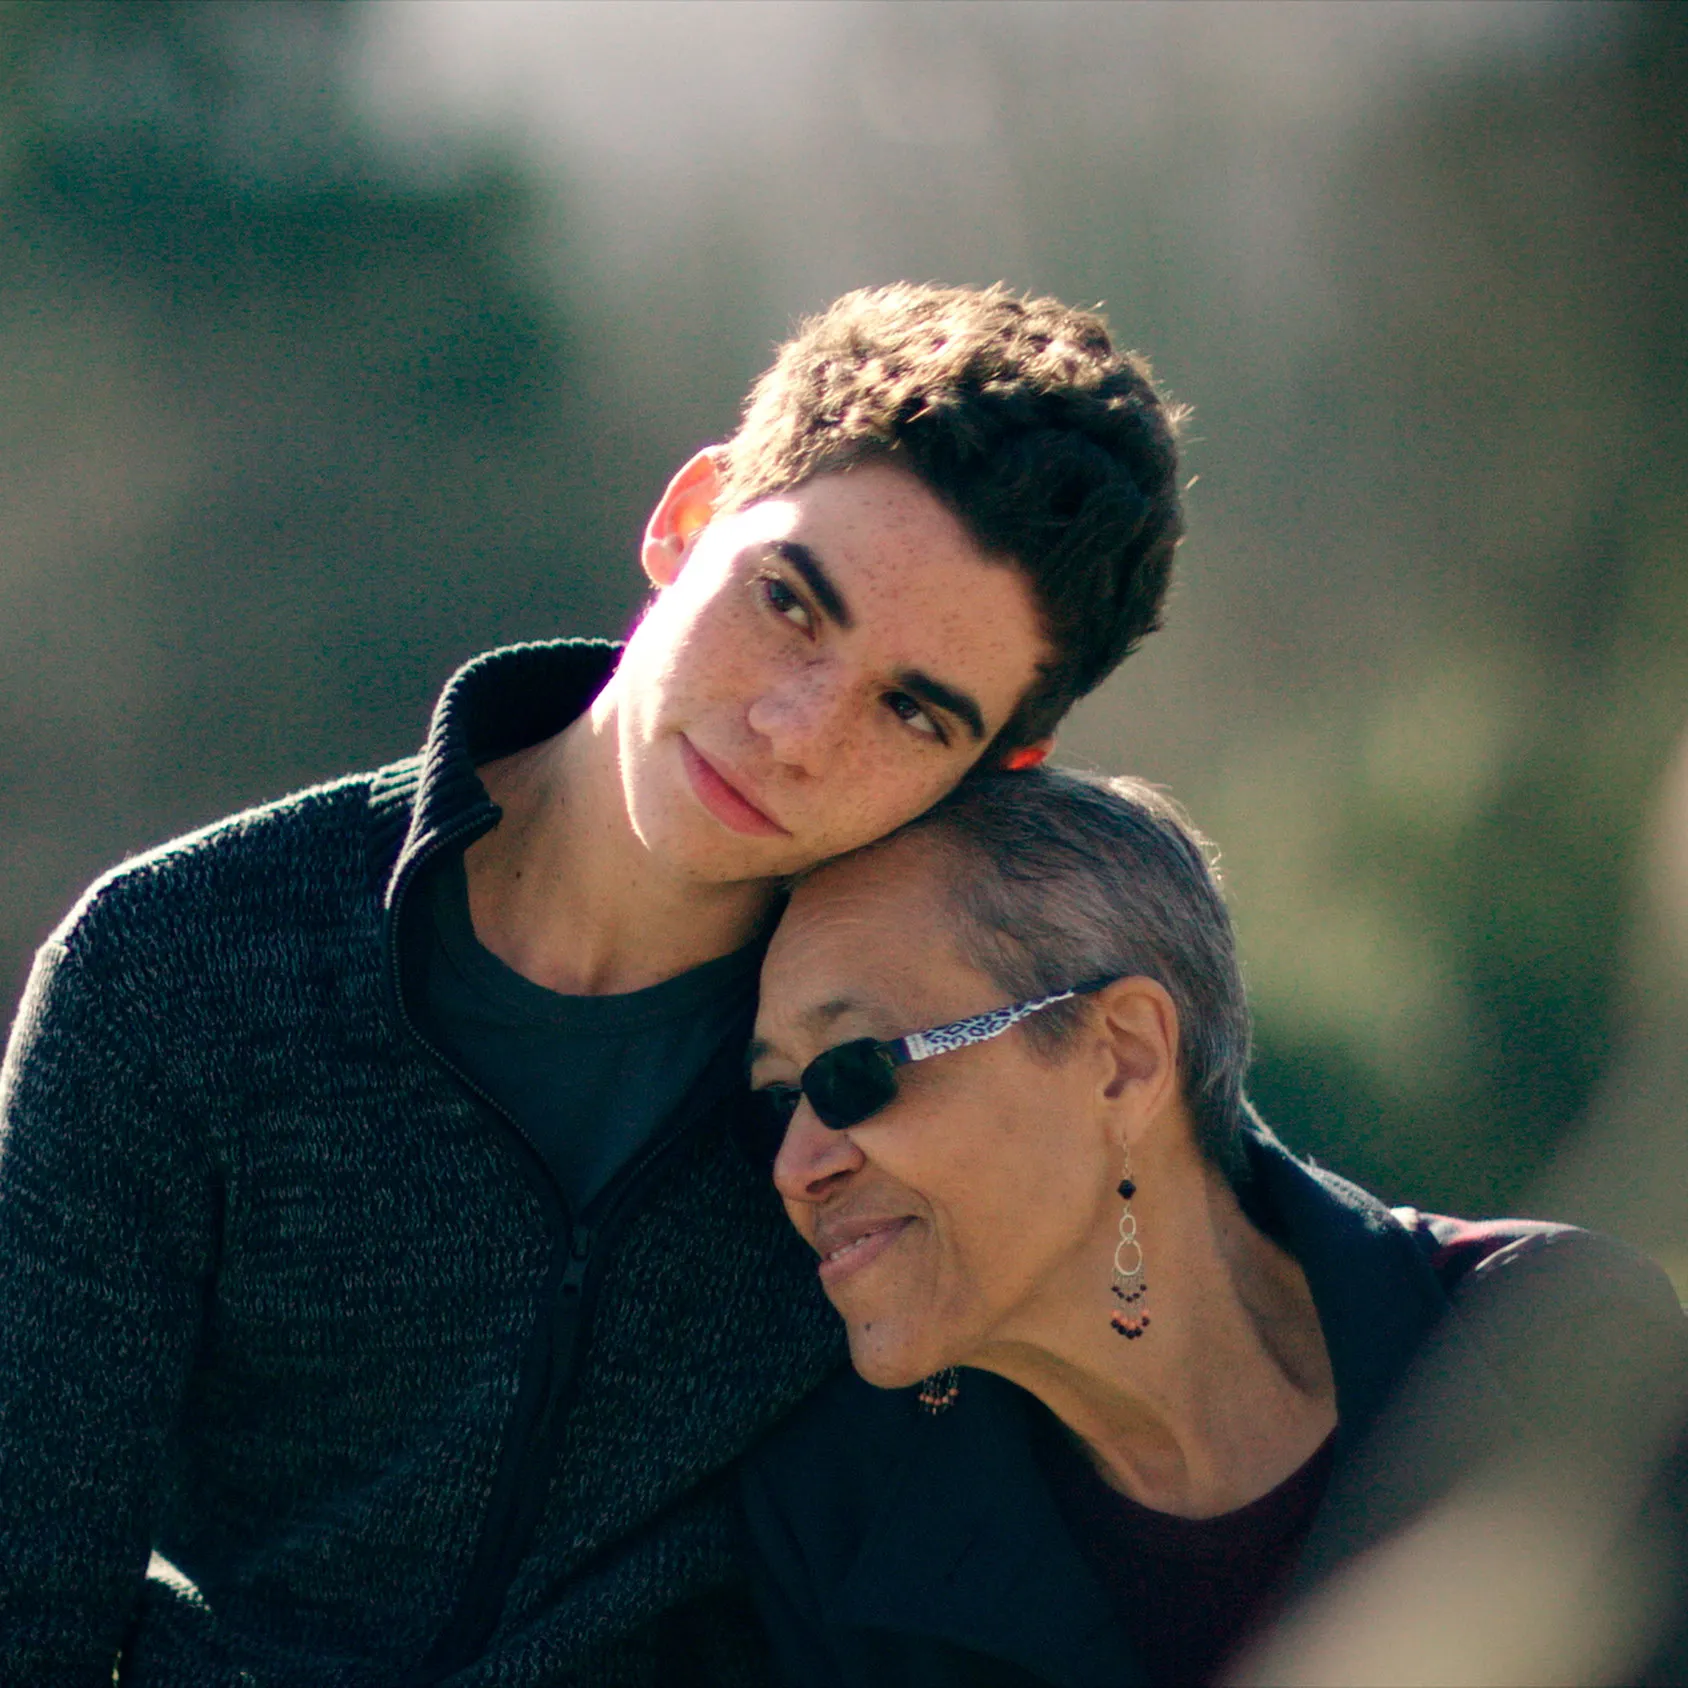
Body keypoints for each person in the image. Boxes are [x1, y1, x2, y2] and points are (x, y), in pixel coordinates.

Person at [0, 285, 1186, 1686]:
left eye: (911, 709)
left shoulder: (948, 1069)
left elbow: (1243, 1317)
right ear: (688, 519)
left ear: (996, 771)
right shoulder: (175, 969)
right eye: (788, 603)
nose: (795, 730)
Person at [742, 767, 1688, 1688]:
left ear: (1123, 1058)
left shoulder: (1558, 1343)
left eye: (852, 1072)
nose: (797, 1166)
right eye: (780, 1100)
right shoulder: (832, 1531)